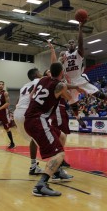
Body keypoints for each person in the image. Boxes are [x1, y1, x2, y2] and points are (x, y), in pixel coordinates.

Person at [24, 62, 84, 197]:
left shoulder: (43, 80)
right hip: (38, 121)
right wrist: (78, 92)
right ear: (62, 73)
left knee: (62, 136)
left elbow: (32, 95)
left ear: (50, 72)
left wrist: (73, 86)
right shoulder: (60, 86)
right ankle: (41, 184)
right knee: (59, 154)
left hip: (31, 118)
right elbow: (70, 98)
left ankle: (56, 170)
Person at [48, 22, 107, 123]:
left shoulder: (79, 52)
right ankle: (78, 118)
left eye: (72, 42)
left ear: (75, 45)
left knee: (97, 94)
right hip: (69, 81)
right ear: (67, 46)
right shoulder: (63, 54)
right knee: (73, 102)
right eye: (69, 43)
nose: (71, 44)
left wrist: (80, 29)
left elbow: (80, 42)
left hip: (79, 78)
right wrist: (60, 58)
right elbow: (56, 65)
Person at [14, 68, 43, 175]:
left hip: (17, 113)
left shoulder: (24, 86)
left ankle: (33, 166)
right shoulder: (40, 81)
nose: (41, 73)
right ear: (36, 74)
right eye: (39, 72)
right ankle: (55, 169)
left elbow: (18, 100)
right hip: (27, 113)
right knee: (46, 139)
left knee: (34, 139)